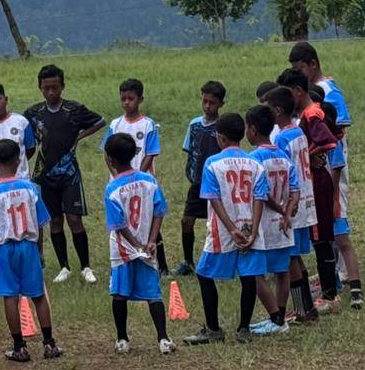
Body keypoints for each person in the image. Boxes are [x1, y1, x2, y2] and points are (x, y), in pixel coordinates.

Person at [289, 41, 363, 309]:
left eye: (300, 68)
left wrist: (322, 151)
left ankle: (342, 278)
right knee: (321, 223)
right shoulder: (307, 95)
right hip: (316, 167)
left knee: (334, 218)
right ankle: (329, 275)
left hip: (331, 165)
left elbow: (339, 127)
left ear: (313, 64)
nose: (299, 74)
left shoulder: (329, 92)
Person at [183, 113, 268, 346]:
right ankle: (243, 328)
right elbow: (260, 198)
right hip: (250, 228)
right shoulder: (255, 163)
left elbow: (215, 199)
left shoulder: (213, 163)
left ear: (220, 137)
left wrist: (231, 229)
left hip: (223, 232)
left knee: (203, 274)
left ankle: (213, 328)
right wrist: (253, 230)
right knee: (249, 277)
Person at [0, 138, 63, 361]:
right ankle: (49, 343)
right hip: (29, 246)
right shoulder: (30, 188)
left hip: (4, 249)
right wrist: (40, 250)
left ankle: (19, 346)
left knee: (10, 297)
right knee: (39, 295)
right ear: (18, 160)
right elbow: (40, 221)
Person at [24, 64, 106, 284]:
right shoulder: (33, 113)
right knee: (55, 221)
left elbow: (100, 121)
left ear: (62, 86)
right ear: (40, 88)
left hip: (69, 173)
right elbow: (25, 137)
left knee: (74, 219)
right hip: (44, 174)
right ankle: (64, 267)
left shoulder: (74, 109)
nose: (51, 92)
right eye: (46, 88)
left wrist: (79, 136)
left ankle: (86, 267)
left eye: (55, 87)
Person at [102, 132, 174, 355]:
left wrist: (136, 244)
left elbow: (119, 224)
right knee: (153, 293)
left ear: (110, 159)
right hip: (147, 246)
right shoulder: (149, 180)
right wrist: (151, 240)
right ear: (135, 154)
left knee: (120, 293)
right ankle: (163, 339)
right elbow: (159, 211)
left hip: (123, 249)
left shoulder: (112, 189)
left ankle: (122, 339)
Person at [277, 68, 341, 313]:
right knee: (318, 237)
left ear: (297, 91)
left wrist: (309, 155)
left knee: (322, 236)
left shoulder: (312, 113)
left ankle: (329, 295)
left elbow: (328, 141)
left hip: (317, 181)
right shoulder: (304, 115)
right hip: (310, 179)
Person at [265, 86, 320, 324]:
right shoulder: (298, 132)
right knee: (295, 257)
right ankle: (305, 307)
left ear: (277, 111)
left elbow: (283, 172)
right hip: (305, 201)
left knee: (289, 258)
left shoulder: (281, 138)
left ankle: (302, 310)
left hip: (292, 206)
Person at [102, 77, 168, 273]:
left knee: (148, 220)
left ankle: (160, 263)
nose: (126, 103)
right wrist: (116, 174)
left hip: (141, 182)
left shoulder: (149, 125)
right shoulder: (115, 124)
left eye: (130, 98)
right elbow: (106, 152)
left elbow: (151, 152)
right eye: (123, 99)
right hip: (119, 181)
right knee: (123, 219)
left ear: (140, 99)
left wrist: (137, 175)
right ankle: (124, 258)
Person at [244, 105, 299, 336]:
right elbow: (296, 190)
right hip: (283, 225)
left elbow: (262, 194)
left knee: (253, 273)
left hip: (264, 224)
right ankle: (280, 316)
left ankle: (276, 318)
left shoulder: (254, 158)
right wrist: (287, 212)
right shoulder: (283, 156)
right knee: (281, 270)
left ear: (253, 130)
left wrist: (278, 209)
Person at [174, 80, 225, 278]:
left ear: (221, 103)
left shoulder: (223, 126)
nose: (207, 106)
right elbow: (190, 151)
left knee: (219, 223)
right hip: (197, 183)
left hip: (219, 185)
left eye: (212, 102)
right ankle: (188, 261)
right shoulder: (195, 125)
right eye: (204, 101)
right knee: (187, 221)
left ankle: (222, 260)